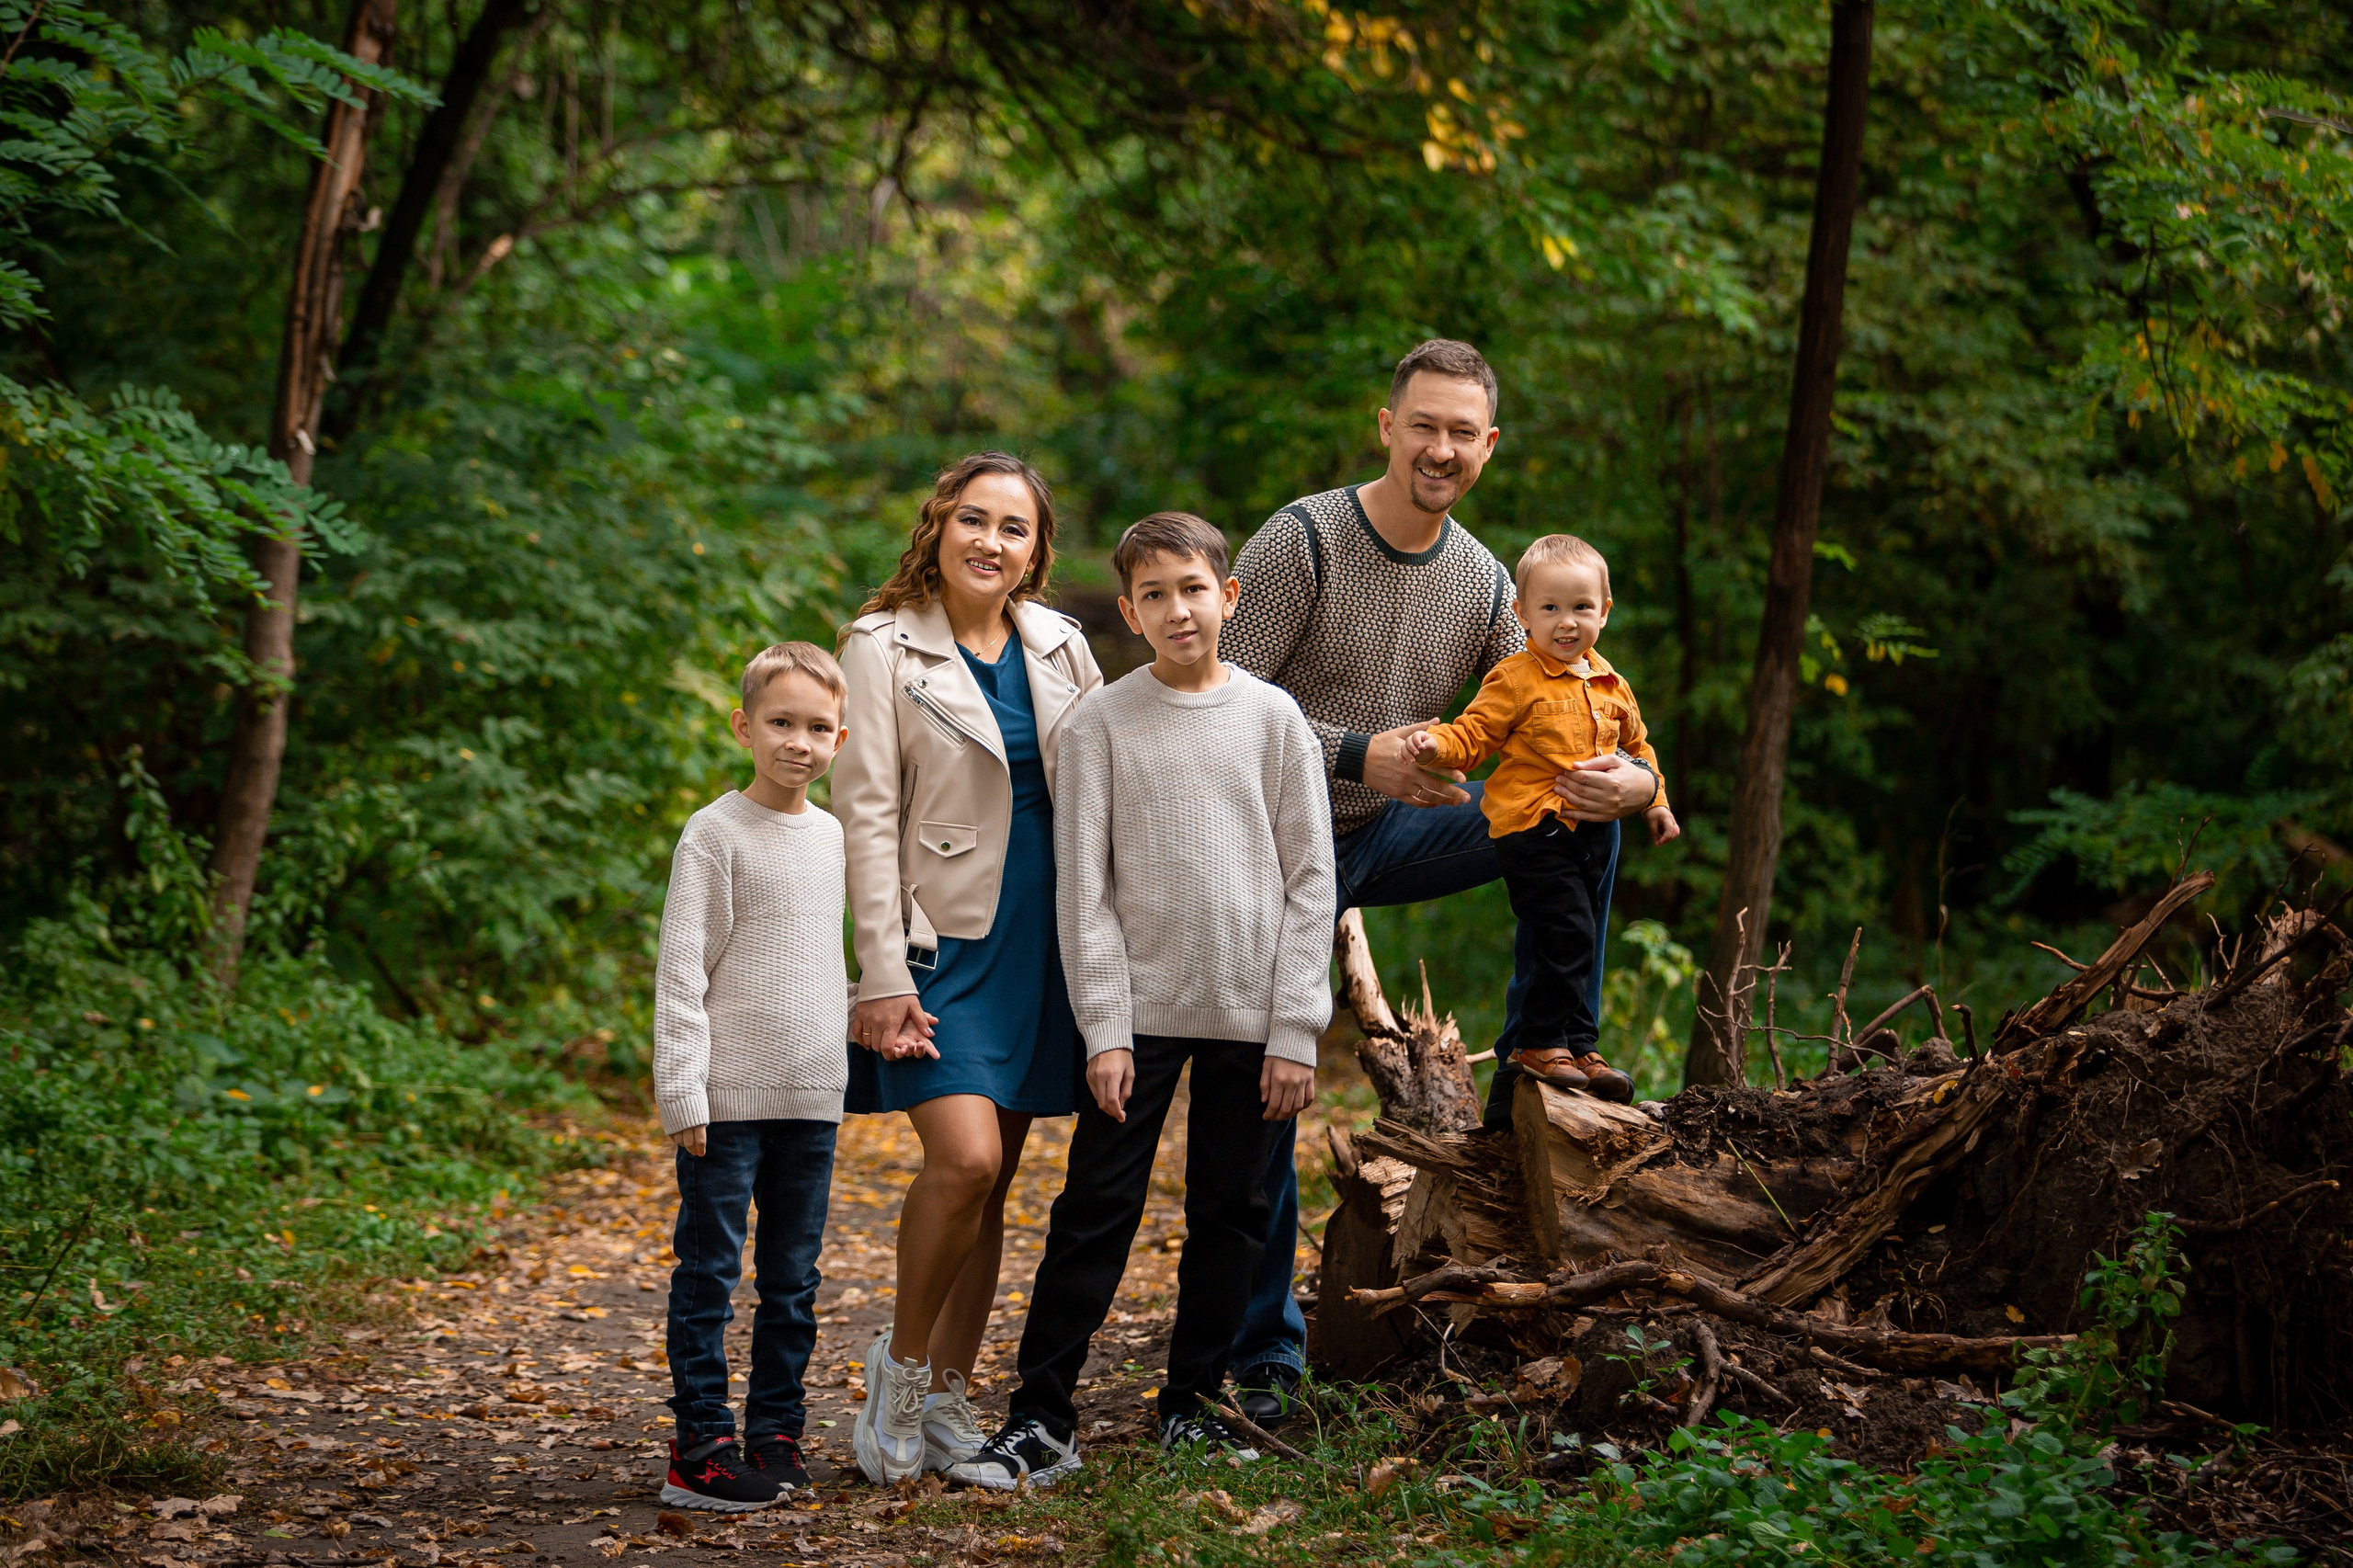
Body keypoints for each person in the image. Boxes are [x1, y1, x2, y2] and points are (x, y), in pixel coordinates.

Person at [1220, 338, 1663, 1426]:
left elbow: (1559, 698)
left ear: (1489, 446)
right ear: (1387, 425)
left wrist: (1636, 775)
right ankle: (1263, 1353)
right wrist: (1353, 749)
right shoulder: (1306, 538)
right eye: (1424, 425)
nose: (1441, 448)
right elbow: (1214, 697)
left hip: (1402, 829)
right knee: (1263, 1095)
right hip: (1273, 841)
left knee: (1575, 813)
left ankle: (1540, 1045)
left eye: (1463, 432)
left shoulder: (1481, 577)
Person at [949, 512, 1335, 1489]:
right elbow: (1087, 891)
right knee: (1094, 1207)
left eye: (1193, 587)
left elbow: (1309, 880)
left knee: (1231, 1211)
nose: (1176, 609)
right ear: (1127, 611)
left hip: (1252, 1015)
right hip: (1141, 1017)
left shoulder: (1273, 717)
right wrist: (1104, 1029)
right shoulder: (1102, 725)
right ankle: (1041, 1416)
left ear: (1229, 596)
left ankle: (1193, 1405)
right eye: (1153, 594)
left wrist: (1296, 1028)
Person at [833, 452, 1105, 1484]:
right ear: (939, 526)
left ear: (1037, 551)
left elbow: (1116, 771)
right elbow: (864, 813)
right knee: (966, 1159)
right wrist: (878, 973)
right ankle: (897, 1375)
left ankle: (948, 1401)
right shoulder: (880, 645)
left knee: (997, 1186)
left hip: (1049, 940)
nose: (992, 542)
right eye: (974, 520)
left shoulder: (1062, 643)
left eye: (1015, 528)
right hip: (936, 943)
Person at [652, 642, 855, 1510]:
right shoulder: (714, 832)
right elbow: (682, 969)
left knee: (794, 1281)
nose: (797, 742)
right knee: (709, 1275)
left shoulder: (834, 835)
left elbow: (809, 963)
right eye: (781, 723)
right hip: (726, 1101)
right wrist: (683, 1091)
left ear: (839, 739)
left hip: (811, 1097)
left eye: (816, 728)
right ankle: (699, 1444)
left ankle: (777, 1432)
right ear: (744, 727)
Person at [1408, 535, 1681, 1096]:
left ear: (1604, 611)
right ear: (1522, 613)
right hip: (1534, 829)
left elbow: (1639, 749)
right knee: (1566, 930)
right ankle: (1536, 1042)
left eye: (1581, 607)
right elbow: (1473, 733)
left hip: (1593, 834)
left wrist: (1656, 801)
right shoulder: (1514, 678)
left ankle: (1580, 1047)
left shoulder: (1613, 685)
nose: (1565, 622)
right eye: (1549, 608)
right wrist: (1435, 746)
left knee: (1582, 937)